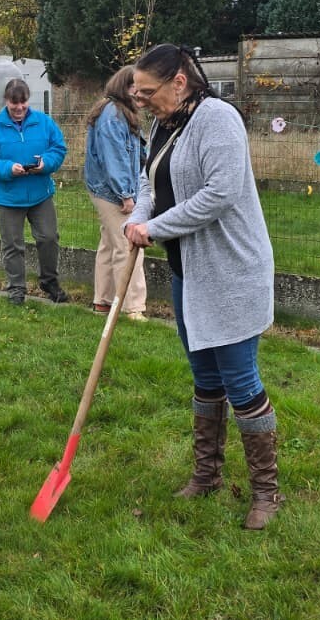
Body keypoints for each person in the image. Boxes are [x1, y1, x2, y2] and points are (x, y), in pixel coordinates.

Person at [124, 43, 282, 530]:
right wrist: (140, 217)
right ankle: (207, 474)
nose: (141, 100)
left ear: (179, 81)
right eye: (137, 92)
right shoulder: (162, 123)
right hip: (187, 272)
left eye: (148, 91)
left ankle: (265, 493)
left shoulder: (217, 119)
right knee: (204, 376)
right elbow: (150, 181)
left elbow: (220, 193)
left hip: (231, 272)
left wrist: (158, 228)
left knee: (239, 380)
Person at [0, 78, 68, 305]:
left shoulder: (44, 122)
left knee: (48, 238)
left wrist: (46, 163)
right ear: (6, 101)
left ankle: (49, 281)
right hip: (8, 197)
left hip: (40, 193)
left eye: (23, 103)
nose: (19, 108)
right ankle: (16, 290)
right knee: (13, 245)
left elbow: (59, 148)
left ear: (28, 100)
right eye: (14, 104)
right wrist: (7, 168)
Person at [83, 65, 148, 320]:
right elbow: (115, 158)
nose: (141, 92)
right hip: (113, 192)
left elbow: (138, 153)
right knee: (128, 244)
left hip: (108, 189)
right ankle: (133, 307)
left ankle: (104, 300)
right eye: (137, 87)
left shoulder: (120, 112)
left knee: (110, 244)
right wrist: (127, 195)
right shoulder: (113, 115)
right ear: (125, 86)